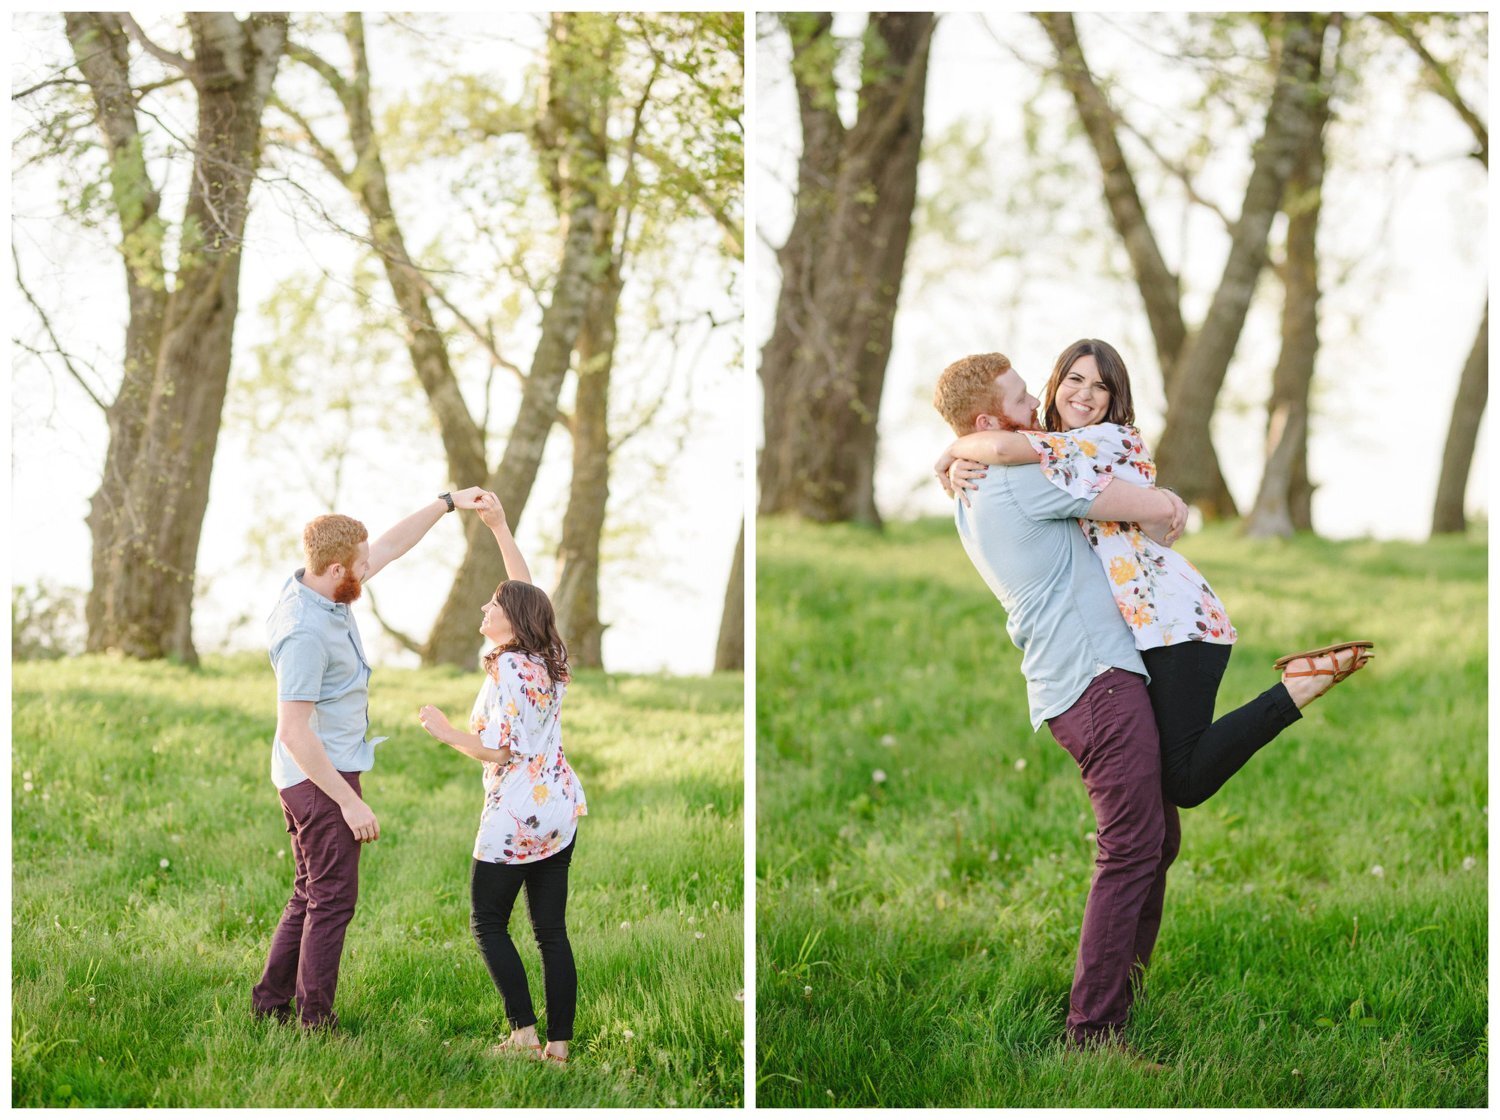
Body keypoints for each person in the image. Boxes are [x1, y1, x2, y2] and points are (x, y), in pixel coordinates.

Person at [936, 339, 1372, 808]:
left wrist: (952, 450)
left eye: (1101, 386)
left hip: (1175, 621)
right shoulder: (1049, 451)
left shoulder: (1101, 441)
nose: (1083, 394)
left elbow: (1002, 444)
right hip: (1150, 627)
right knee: (1162, 782)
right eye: (1074, 379)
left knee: (1181, 783)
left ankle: (1298, 688)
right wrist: (962, 454)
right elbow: (1007, 447)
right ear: (1056, 383)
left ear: (1115, 398)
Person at [933, 351, 1193, 1055]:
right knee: (1131, 847)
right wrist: (1175, 505)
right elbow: (1140, 505)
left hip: (1084, 681)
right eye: (1024, 396)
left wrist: (953, 449)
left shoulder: (985, 476)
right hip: (1094, 680)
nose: (1041, 404)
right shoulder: (1022, 476)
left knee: (1155, 840)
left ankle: (1120, 996)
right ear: (991, 423)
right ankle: (1094, 1032)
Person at [252, 486, 490, 1031]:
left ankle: (269, 1004)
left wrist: (447, 504)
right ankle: (316, 1022)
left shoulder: (325, 585)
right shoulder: (304, 632)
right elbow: (294, 731)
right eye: (361, 565)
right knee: (332, 901)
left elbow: (387, 546)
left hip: (323, 769)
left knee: (309, 892)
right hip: (318, 776)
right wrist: (349, 803)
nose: (371, 567)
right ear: (338, 569)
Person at [418, 493, 586, 1065]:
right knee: (551, 934)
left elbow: (502, 748)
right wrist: (500, 528)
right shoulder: (550, 657)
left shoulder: (512, 666)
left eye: (494, 606)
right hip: (559, 807)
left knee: (487, 922)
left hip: (515, 811)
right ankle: (558, 1047)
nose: (485, 610)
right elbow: (528, 593)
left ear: (512, 622)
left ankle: (521, 1034)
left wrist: (444, 732)